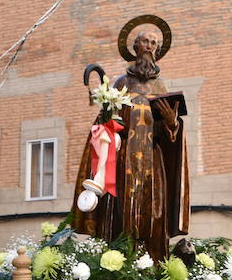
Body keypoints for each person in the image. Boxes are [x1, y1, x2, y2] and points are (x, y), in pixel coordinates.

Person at [70, 21, 189, 258]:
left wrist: (171, 121)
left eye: (154, 43)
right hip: (124, 161)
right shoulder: (122, 84)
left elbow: (171, 137)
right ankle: (119, 259)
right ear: (135, 47)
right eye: (145, 41)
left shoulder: (161, 86)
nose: (149, 47)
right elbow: (106, 124)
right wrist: (109, 119)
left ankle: (151, 261)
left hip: (153, 162)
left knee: (154, 212)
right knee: (122, 211)